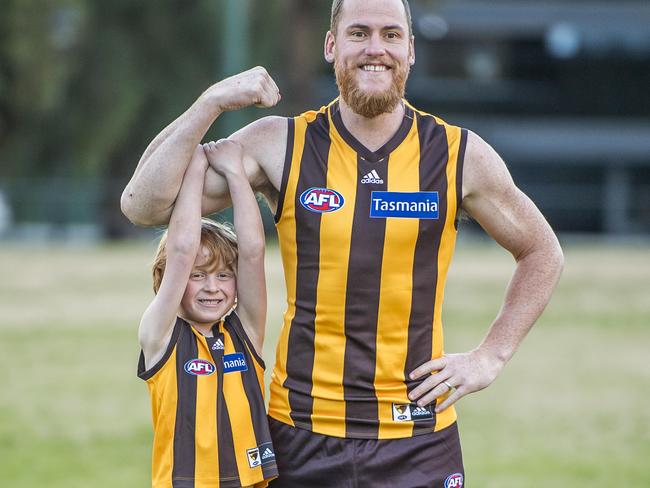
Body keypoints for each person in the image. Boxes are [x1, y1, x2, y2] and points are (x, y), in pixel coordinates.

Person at [123, 0, 564, 485]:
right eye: (359, 33)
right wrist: (209, 104)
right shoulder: (281, 144)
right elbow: (143, 204)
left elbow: (541, 251)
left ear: (411, 50)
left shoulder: (458, 155)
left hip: (418, 437)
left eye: (391, 35)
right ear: (331, 46)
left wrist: (490, 356)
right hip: (301, 435)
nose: (376, 48)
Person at [137, 141, 278, 487]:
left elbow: (253, 253)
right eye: (197, 276)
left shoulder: (245, 333)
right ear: (167, 278)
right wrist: (195, 169)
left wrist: (234, 172)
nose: (212, 287)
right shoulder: (161, 335)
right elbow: (182, 251)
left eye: (223, 275)